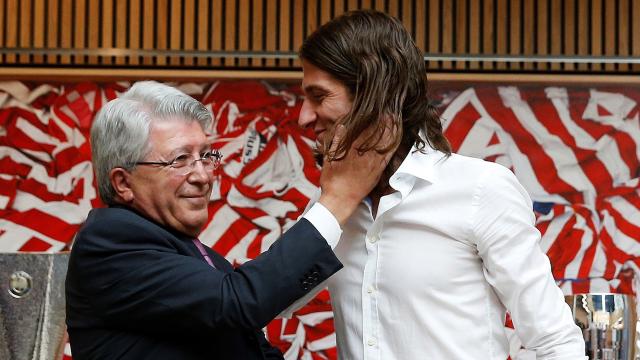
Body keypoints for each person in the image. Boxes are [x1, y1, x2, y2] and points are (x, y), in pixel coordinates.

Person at [284, 10, 587, 359]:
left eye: (319, 97)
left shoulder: (481, 189)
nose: (303, 117)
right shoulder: (329, 211)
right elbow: (269, 303)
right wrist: (333, 204)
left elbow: (554, 342)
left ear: (371, 92)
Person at [64, 81, 393, 359]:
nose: (203, 176)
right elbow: (240, 302)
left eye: (206, 156)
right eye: (180, 159)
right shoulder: (109, 242)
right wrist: (338, 199)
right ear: (123, 183)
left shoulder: (194, 255)